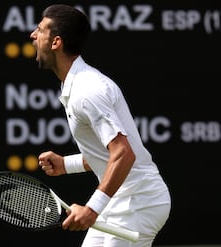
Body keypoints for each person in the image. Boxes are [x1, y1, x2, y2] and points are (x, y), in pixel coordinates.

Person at [30, 4, 171, 247]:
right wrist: (67, 164)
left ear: (56, 42)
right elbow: (108, 154)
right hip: (120, 200)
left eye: (40, 29)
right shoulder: (73, 87)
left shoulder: (88, 90)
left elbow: (123, 154)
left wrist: (92, 209)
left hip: (139, 202)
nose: (33, 34)